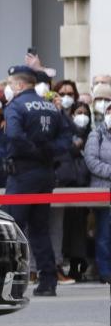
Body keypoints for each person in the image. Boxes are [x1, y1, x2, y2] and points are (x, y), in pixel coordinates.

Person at [3, 65, 73, 296]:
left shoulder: (16, 105)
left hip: (22, 173)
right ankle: (48, 282)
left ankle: (12, 284)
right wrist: (49, 151)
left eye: (11, 84)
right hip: (45, 174)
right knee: (40, 230)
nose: (9, 88)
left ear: (20, 85)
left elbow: (13, 134)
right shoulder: (51, 107)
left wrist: (32, 150)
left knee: (13, 229)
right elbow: (67, 137)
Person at [60, 101, 92, 281]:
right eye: (78, 112)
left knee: (82, 229)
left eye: (84, 112)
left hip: (86, 186)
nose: (82, 116)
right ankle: (69, 263)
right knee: (68, 228)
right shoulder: (66, 134)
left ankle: (78, 265)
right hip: (69, 184)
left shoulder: (93, 135)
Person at [85, 84, 111, 284]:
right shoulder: (97, 134)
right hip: (103, 191)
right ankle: (105, 271)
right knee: (104, 233)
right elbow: (91, 161)